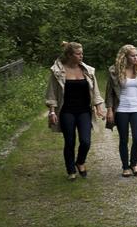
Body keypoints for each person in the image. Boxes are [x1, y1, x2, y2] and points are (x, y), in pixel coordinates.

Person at [44, 41, 105, 181]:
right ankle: (71, 170)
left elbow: (95, 90)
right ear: (69, 55)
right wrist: (52, 112)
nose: (81, 56)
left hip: (84, 111)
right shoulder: (58, 72)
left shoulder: (87, 70)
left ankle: (80, 161)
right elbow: (52, 93)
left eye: (82, 53)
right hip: (67, 111)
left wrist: (98, 107)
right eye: (78, 54)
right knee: (70, 141)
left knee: (85, 141)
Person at [105, 44, 137, 177]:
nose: (136, 58)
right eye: (132, 56)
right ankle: (125, 166)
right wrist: (109, 110)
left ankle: (134, 163)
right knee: (123, 139)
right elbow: (109, 93)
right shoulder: (115, 72)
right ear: (124, 57)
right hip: (121, 109)